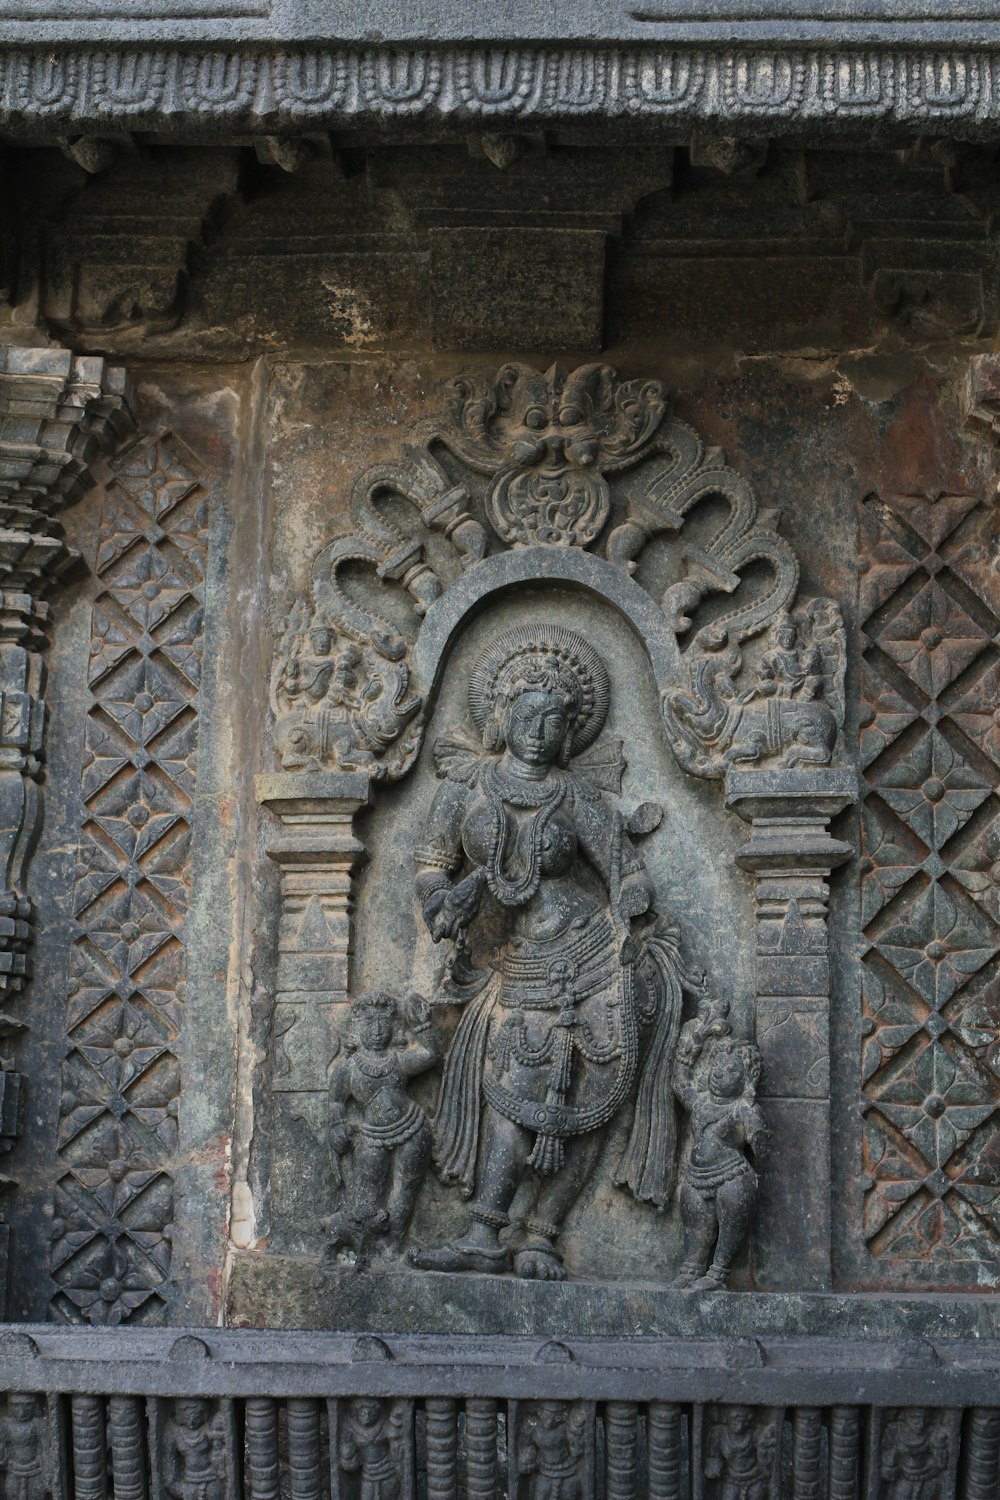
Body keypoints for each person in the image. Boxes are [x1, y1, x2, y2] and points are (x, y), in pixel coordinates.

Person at [408, 624, 688, 1280]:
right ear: (502, 717)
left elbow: (623, 867)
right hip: (517, 962)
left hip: (591, 954)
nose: (538, 729)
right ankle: (484, 1232)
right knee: (512, 1092)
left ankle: (543, 1233)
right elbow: (429, 864)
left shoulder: (576, 796)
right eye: (528, 714)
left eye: (553, 719)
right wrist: (438, 902)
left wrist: (634, 897)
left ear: (569, 732)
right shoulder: (462, 792)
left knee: (594, 1095)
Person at [325, 990, 440, 1260]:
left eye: (383, 1024)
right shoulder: (348, 1068)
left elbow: (432, 1054)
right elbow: (337, 1103)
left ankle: (393, 1244)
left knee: (404, 1190)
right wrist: (337, 1126)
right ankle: (365, 1243)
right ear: (357, 1027)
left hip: (412, 1127)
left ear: (393, 1027)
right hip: (371, 1135)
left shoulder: (398, 1060)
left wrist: (422, 1024)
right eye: (369, 1024)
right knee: (368, 1197)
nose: (377, 1030)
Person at [673, 1014, 770, 1291]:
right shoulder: (701, 1102)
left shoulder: (743, 1109)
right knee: (695, 1226)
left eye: (730, 1071)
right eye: (717, 1066)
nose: (719, 1073)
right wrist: (695, 1041)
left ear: (745, 1078)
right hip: (696, 1176)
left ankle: (718, 1273)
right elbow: (680, 1082)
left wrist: (757, 1130)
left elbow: (762, 1150)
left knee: (731, 1225)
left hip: (733, 1177)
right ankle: (692, 1267)